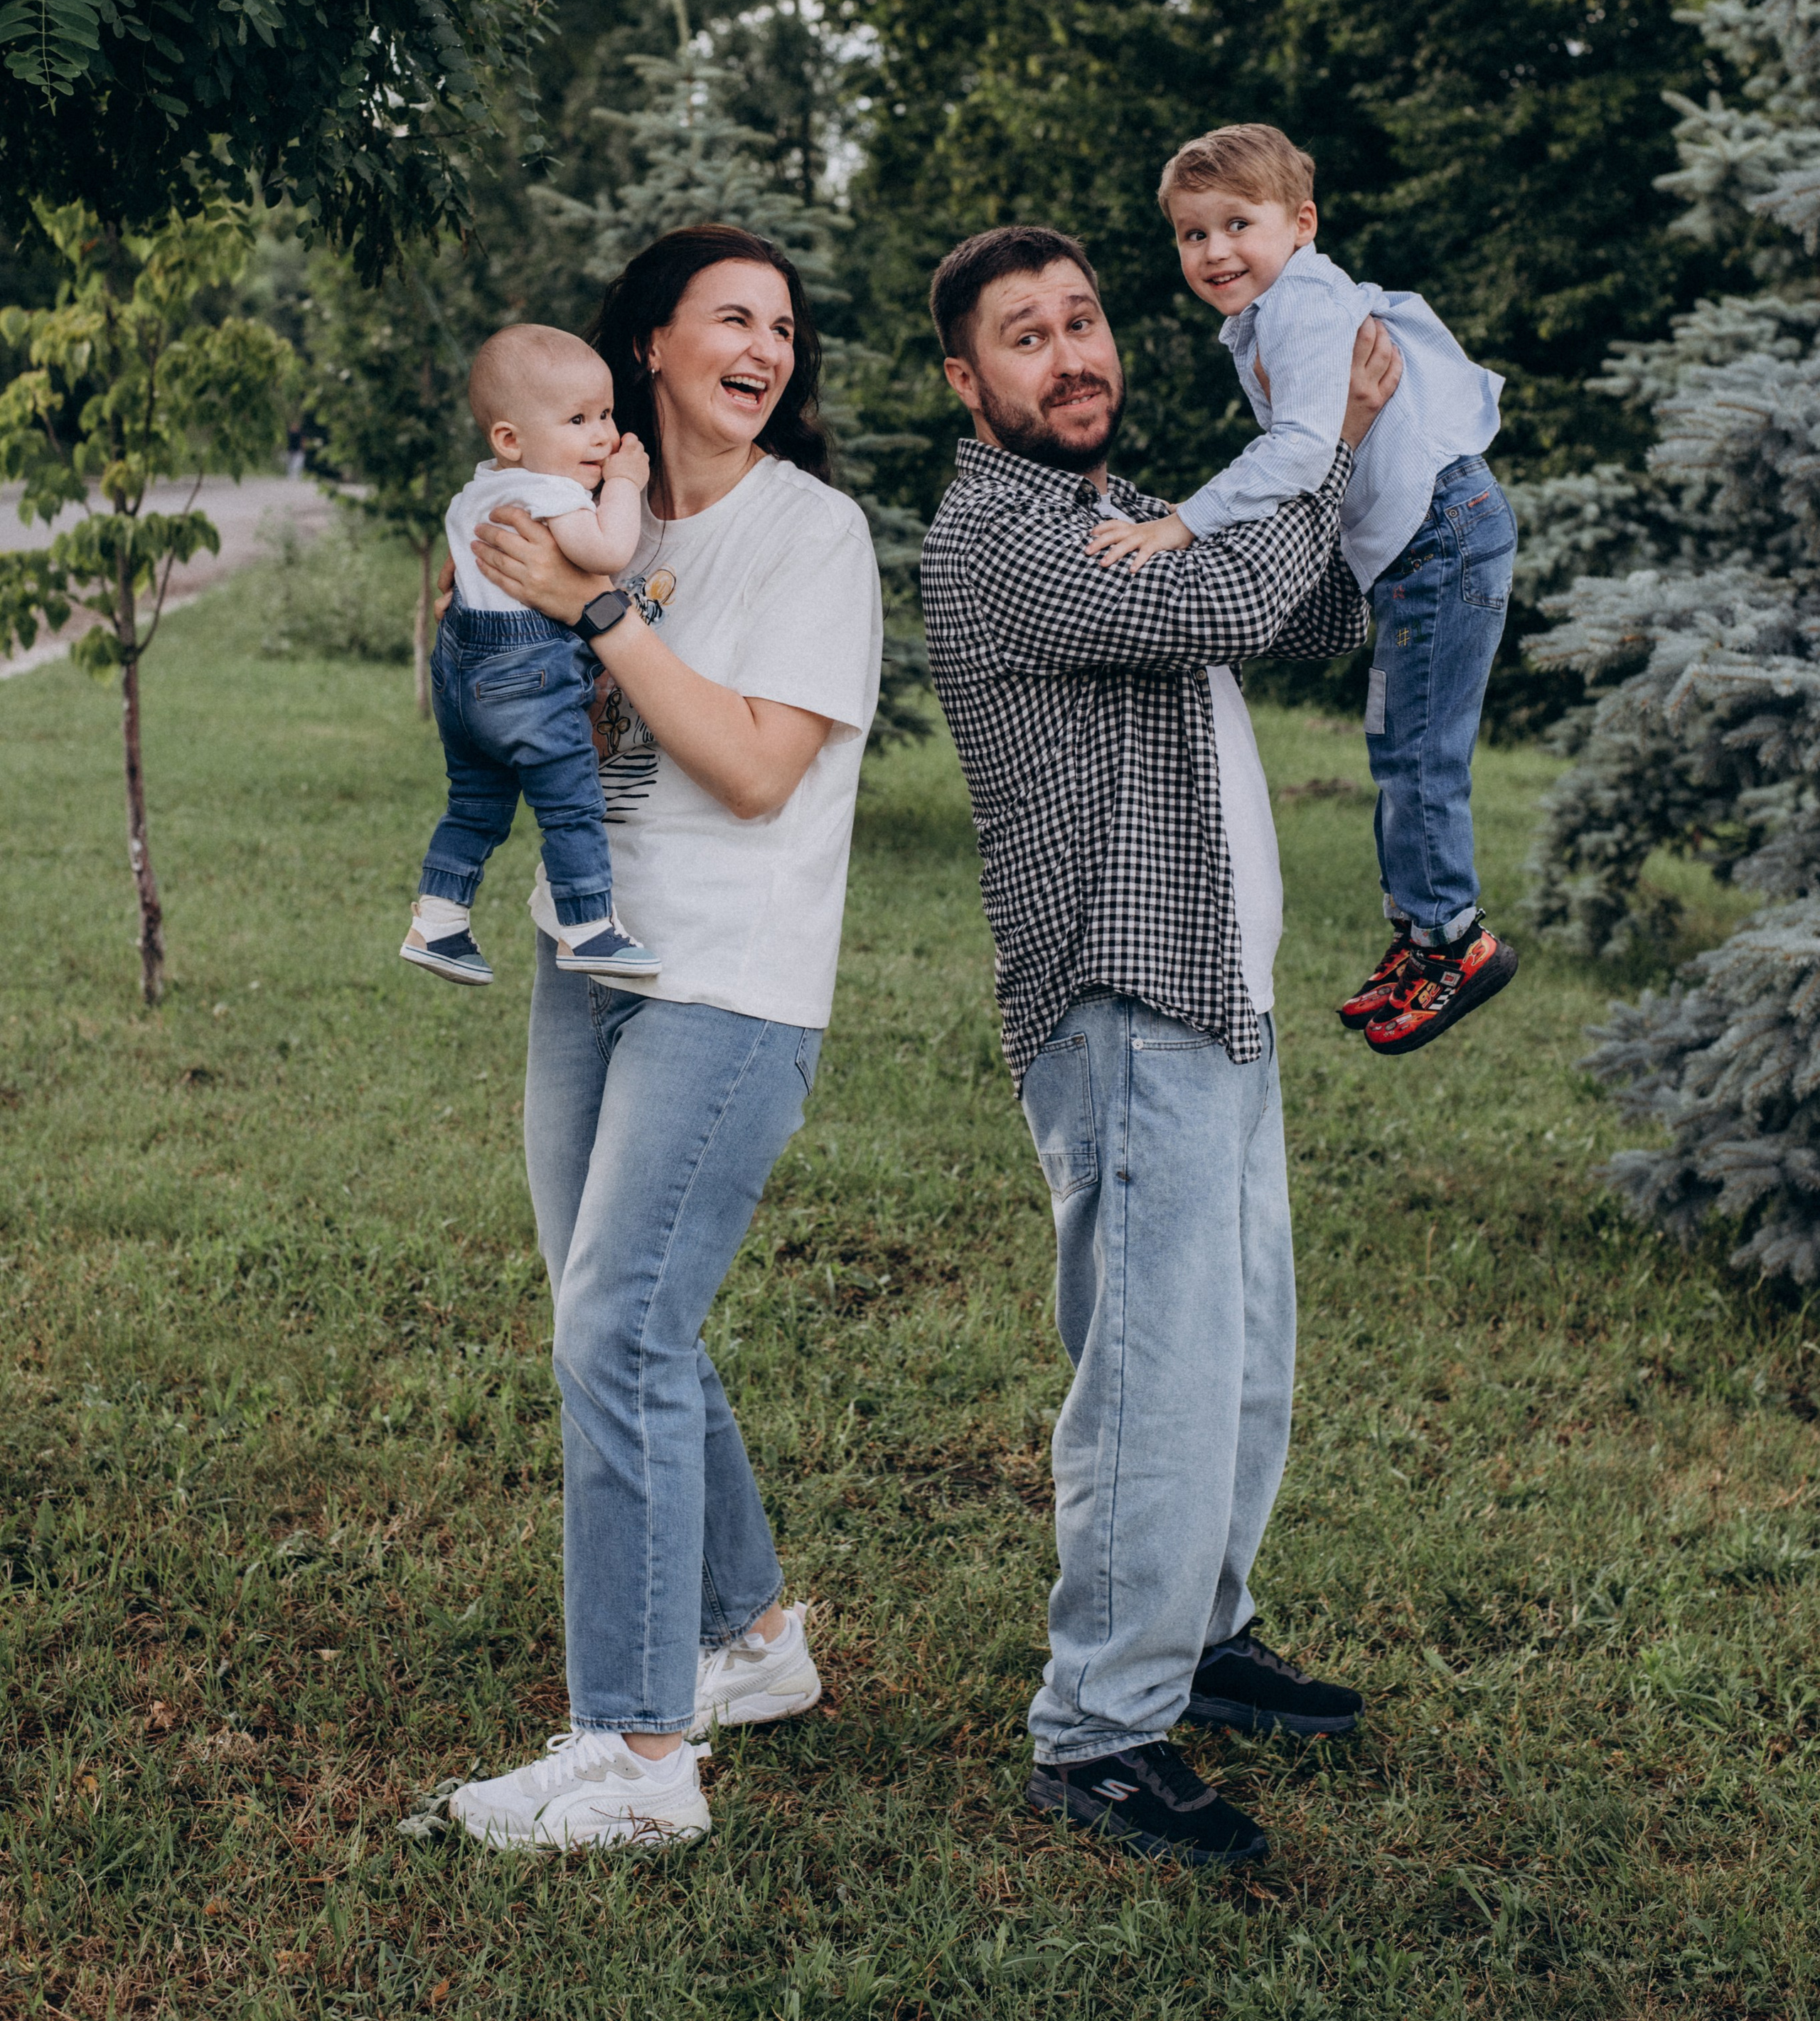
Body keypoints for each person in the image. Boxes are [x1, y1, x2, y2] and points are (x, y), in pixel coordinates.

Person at [920, 222, 1400, 1871]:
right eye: (1024, 335)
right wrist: (1327, 439)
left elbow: (1317, 612)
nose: (1071, 354)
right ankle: (1097, 1727)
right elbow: (1255, 586)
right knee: (1152, 1368)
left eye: (1082, 320)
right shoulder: (997, 535)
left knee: (1238, 1344)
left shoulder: (1126, 511)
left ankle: (1201, 1632)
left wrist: (1341, 461)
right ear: (964, 381)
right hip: (1121, 995)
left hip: (1216, 980)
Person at [437, 225, 883, 1851]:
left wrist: (606, 607)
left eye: (781, 325)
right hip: (591, 962)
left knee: (614, 1328)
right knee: (620, 1318)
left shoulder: (812, 534)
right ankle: (752, 1643)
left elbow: (757, 768)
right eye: (731, 318)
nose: (764, 346)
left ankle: (639, 1755)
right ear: (650, 343)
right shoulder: (585, 508)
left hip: (731, 979)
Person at [1086, 124, 1519, 1057]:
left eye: (1238, 223)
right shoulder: (1276, 309)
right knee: (1394, 746)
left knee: (1419, 758)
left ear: (1301, 222)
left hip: (1441, 531)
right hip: (1420, 540)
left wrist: (1182, 524)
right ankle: (1420, 934)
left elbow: (1299, 450)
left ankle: (1455, 943)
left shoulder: (1301, 306)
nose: (1215, 250)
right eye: (1193, 234)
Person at [402, 324, 658, 989]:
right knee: (571, 802)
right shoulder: (553, 492)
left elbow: (463, 576)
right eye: (578, 419)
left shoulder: (478, 491)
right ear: (511, 440)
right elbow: (606, 554)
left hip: (459, 677)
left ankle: (439, 920)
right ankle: (588, 926)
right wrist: (625, 485)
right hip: (526, 676)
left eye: (605, 415)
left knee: (474, 803)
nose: (603, 436)